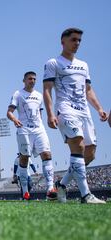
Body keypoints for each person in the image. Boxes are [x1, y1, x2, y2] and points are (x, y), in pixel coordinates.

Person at [43, 28, 108, 204]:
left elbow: (88, 90)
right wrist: (50, 114)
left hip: (84, 111)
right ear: (62, 41)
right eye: (73, 40)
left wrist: (99, 108)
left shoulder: (84, 65)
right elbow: (47, 90)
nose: (77, 43)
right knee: (78, 145)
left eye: (79, 40)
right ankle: (86, 195)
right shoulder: (53, 63)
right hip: (65, 109)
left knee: (90, 153)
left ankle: (61, 185)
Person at [7, 71, 57, 200]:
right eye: (30, 79)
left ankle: (50, 189)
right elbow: (9, 112)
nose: (32, 81)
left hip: (39, 129)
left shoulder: (39, 96)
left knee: (47, 154)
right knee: (24, 158)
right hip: (24, 130)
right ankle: (25, 191)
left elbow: (40, 113)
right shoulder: (18, 94)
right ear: (24, 80)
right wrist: (14, 120)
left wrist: (40, 124)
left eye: (34, 79)